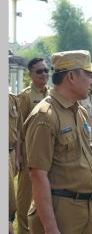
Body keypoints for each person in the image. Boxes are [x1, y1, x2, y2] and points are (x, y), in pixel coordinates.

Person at [24, 50, 92, 234]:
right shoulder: (45, 115)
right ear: (71, 76)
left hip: (82, 208)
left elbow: (85, 165)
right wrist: (51, 227)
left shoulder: (79, 111)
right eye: (88, 75)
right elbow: (38, 175)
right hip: (60, 212)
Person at [17, 57, 50, 234]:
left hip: (49, 154)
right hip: (30, 155)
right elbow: (18, 131)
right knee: (25, 198)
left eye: (46, 70)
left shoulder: (52, 94)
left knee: (46, 197)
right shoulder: (25, 96)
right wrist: (19, 156)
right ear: (30, 74)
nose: (44, 74)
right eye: (39, 71)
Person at [9, 93, 23, 234]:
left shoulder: (12, 99)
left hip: (11, 152)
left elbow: (19, 130)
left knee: (10, 193)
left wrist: (18, 156)